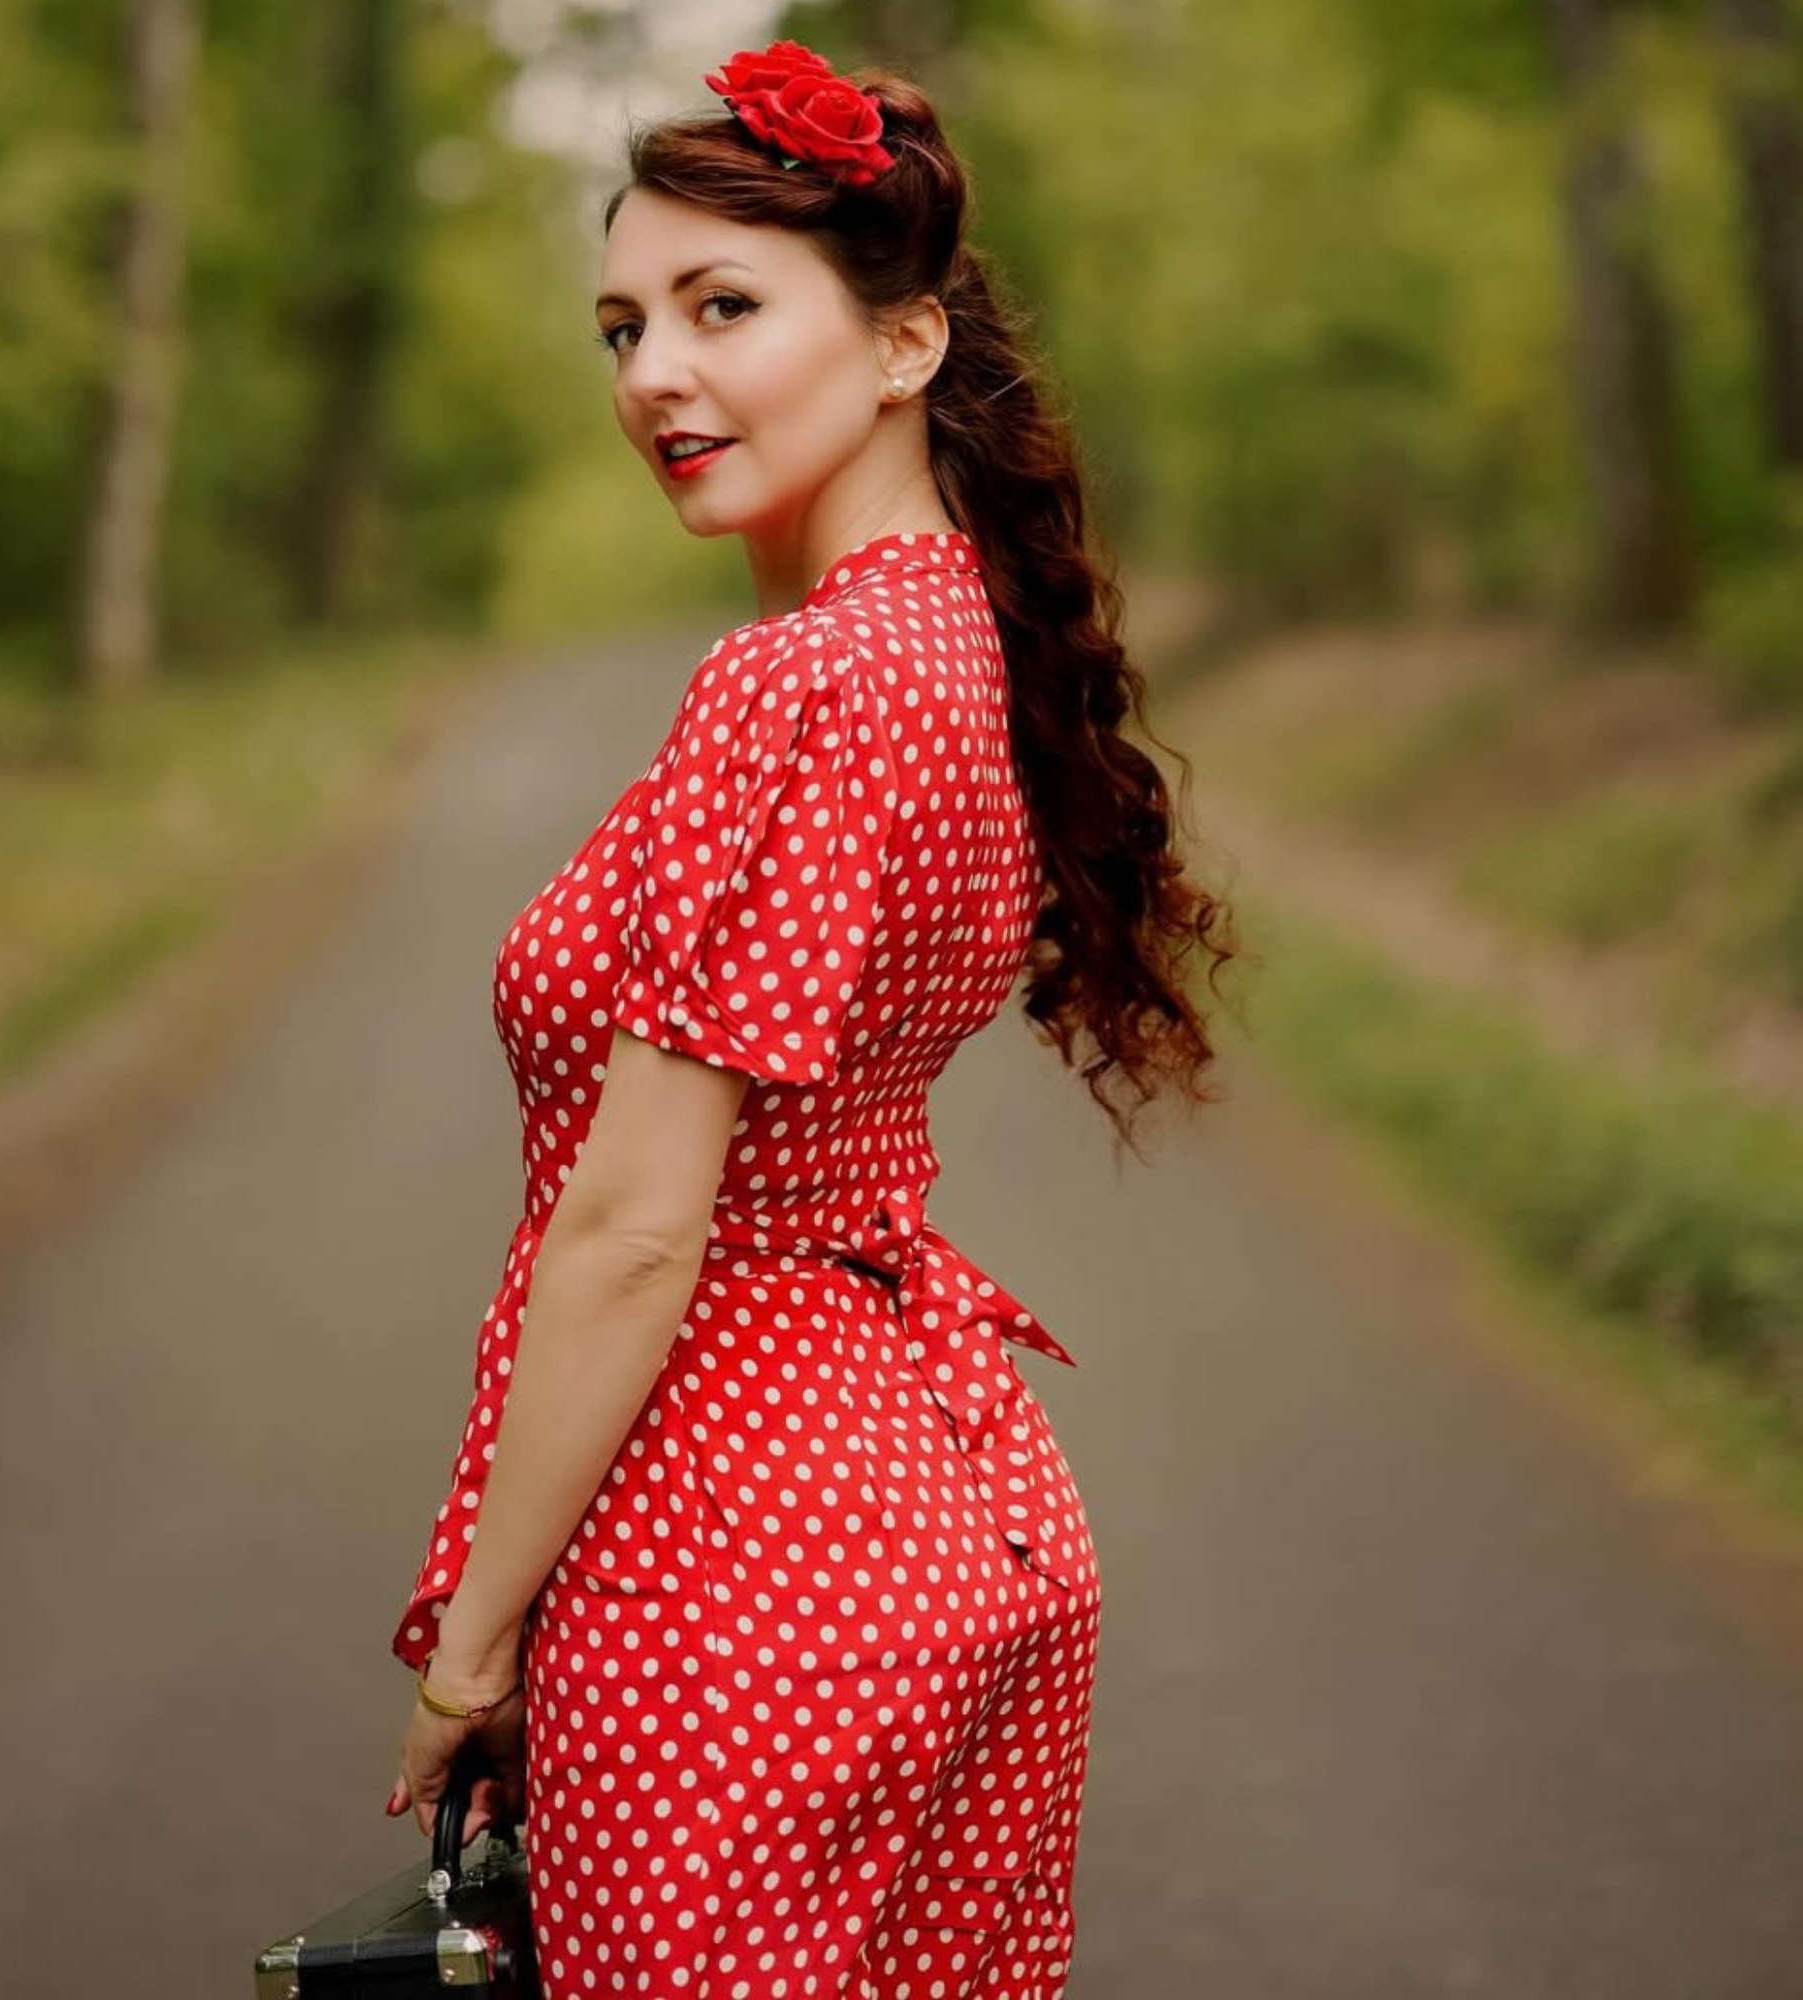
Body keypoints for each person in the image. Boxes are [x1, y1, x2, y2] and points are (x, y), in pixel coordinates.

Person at [382, 37, 1236, 1998]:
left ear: (904, 344)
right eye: (619, 326)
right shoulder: (957, 645)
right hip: (967, 1523)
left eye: (719, 308)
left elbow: (633, 1226)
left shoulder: (791, 691)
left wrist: (474, 1645)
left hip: (741, 1570)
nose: (650, 376)